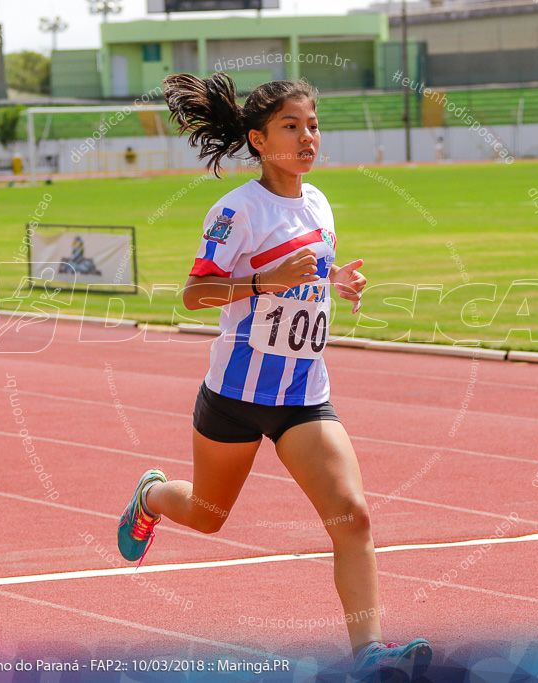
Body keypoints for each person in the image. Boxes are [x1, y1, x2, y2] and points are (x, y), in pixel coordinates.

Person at [116, 72, 432, 681]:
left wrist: (337, 280)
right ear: (259, 140)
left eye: (313, 125)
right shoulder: (236, 209)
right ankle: (151, 496)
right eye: (292, 126)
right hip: (234, 397)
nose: (307, 136)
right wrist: (266, 282)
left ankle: (368, 653)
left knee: (353, 516)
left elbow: (313, 264)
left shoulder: (317, 202)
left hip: (303, 399)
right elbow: (193, 294)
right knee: (208, 515)